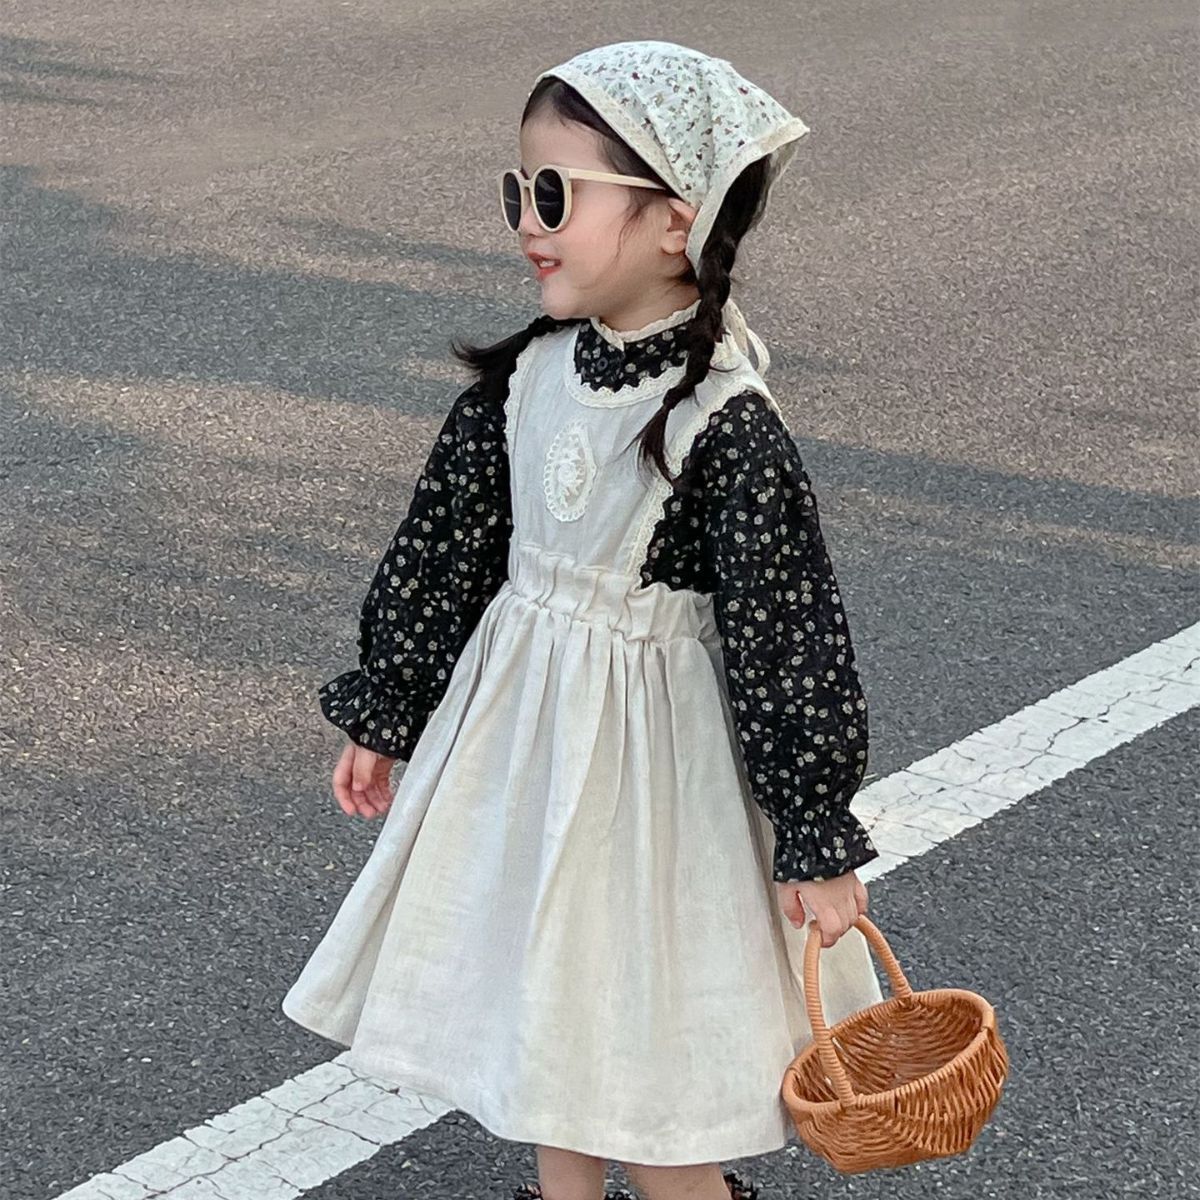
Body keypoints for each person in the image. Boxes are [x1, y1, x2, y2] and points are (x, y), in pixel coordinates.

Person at [282, 40, 885, 1200]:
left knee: (644, 1051)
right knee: (548, 1019)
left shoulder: (722, 422)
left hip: (656, 791)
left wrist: (812, 833)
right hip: (523, 753)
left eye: (556, 194)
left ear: (676, 220)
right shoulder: (524, 383)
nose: (528, 222)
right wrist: (390, 702)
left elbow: (789, 640)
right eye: (518, 191)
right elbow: (443, 551)